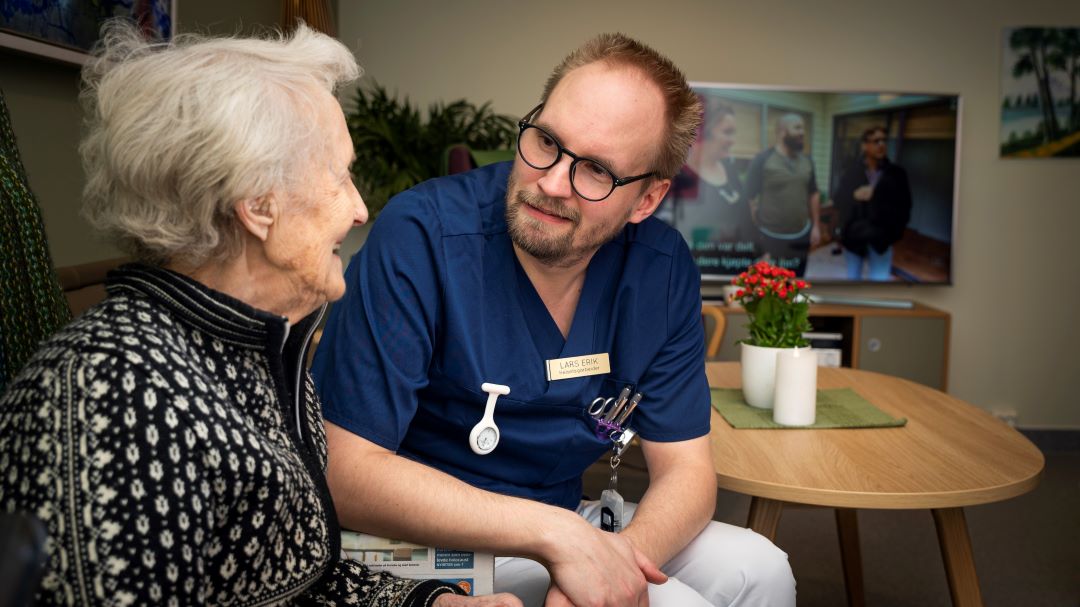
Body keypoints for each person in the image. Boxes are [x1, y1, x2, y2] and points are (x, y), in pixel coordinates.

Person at [0, 21, 519, 607]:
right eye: (340, 175)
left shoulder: (261, 350)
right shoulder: (111, 397)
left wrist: (431, 604)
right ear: (258, 206)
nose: (359, 207)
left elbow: (301, 578)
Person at [312, 33, 796, 607]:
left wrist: (615, 565)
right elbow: (345, 471)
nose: (550, 182)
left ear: (646, 200)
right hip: (418, 539)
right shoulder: (423, 237)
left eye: (595, 171)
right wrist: (561, 538)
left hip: (564, 518)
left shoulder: (658, 272)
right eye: (546, 141)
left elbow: (687, 473)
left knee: (761, 569)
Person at [660, 102, 757, 271]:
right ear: (705, 133)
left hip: (735, 268)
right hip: (688, 271)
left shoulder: (730, 170)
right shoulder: (678, 174)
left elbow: (745, 218)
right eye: (727, 132)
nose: (732, 140)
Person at [744, 113, 822, 276]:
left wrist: (815, 226)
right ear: (781, 132)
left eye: (803, 128)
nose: (803, 133)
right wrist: (756, 236)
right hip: (771, 237)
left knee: (796, 282)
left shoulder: (808, 161)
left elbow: (813, 193)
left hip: (801, 236)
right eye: (797, 128)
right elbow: (749, 197)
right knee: (769, 286)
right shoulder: (762, 159)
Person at [833, 126, 913, 280]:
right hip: (854, 237)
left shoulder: (897, 173)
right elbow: (838, 201)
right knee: (852, 280)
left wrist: (893, 234)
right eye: (876, 141)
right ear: (865, 145)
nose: (881, 144)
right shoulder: (852, 171)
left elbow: (905, 207)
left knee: (880, 282)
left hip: (881, 240)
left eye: (884, 140)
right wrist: (853, 195)